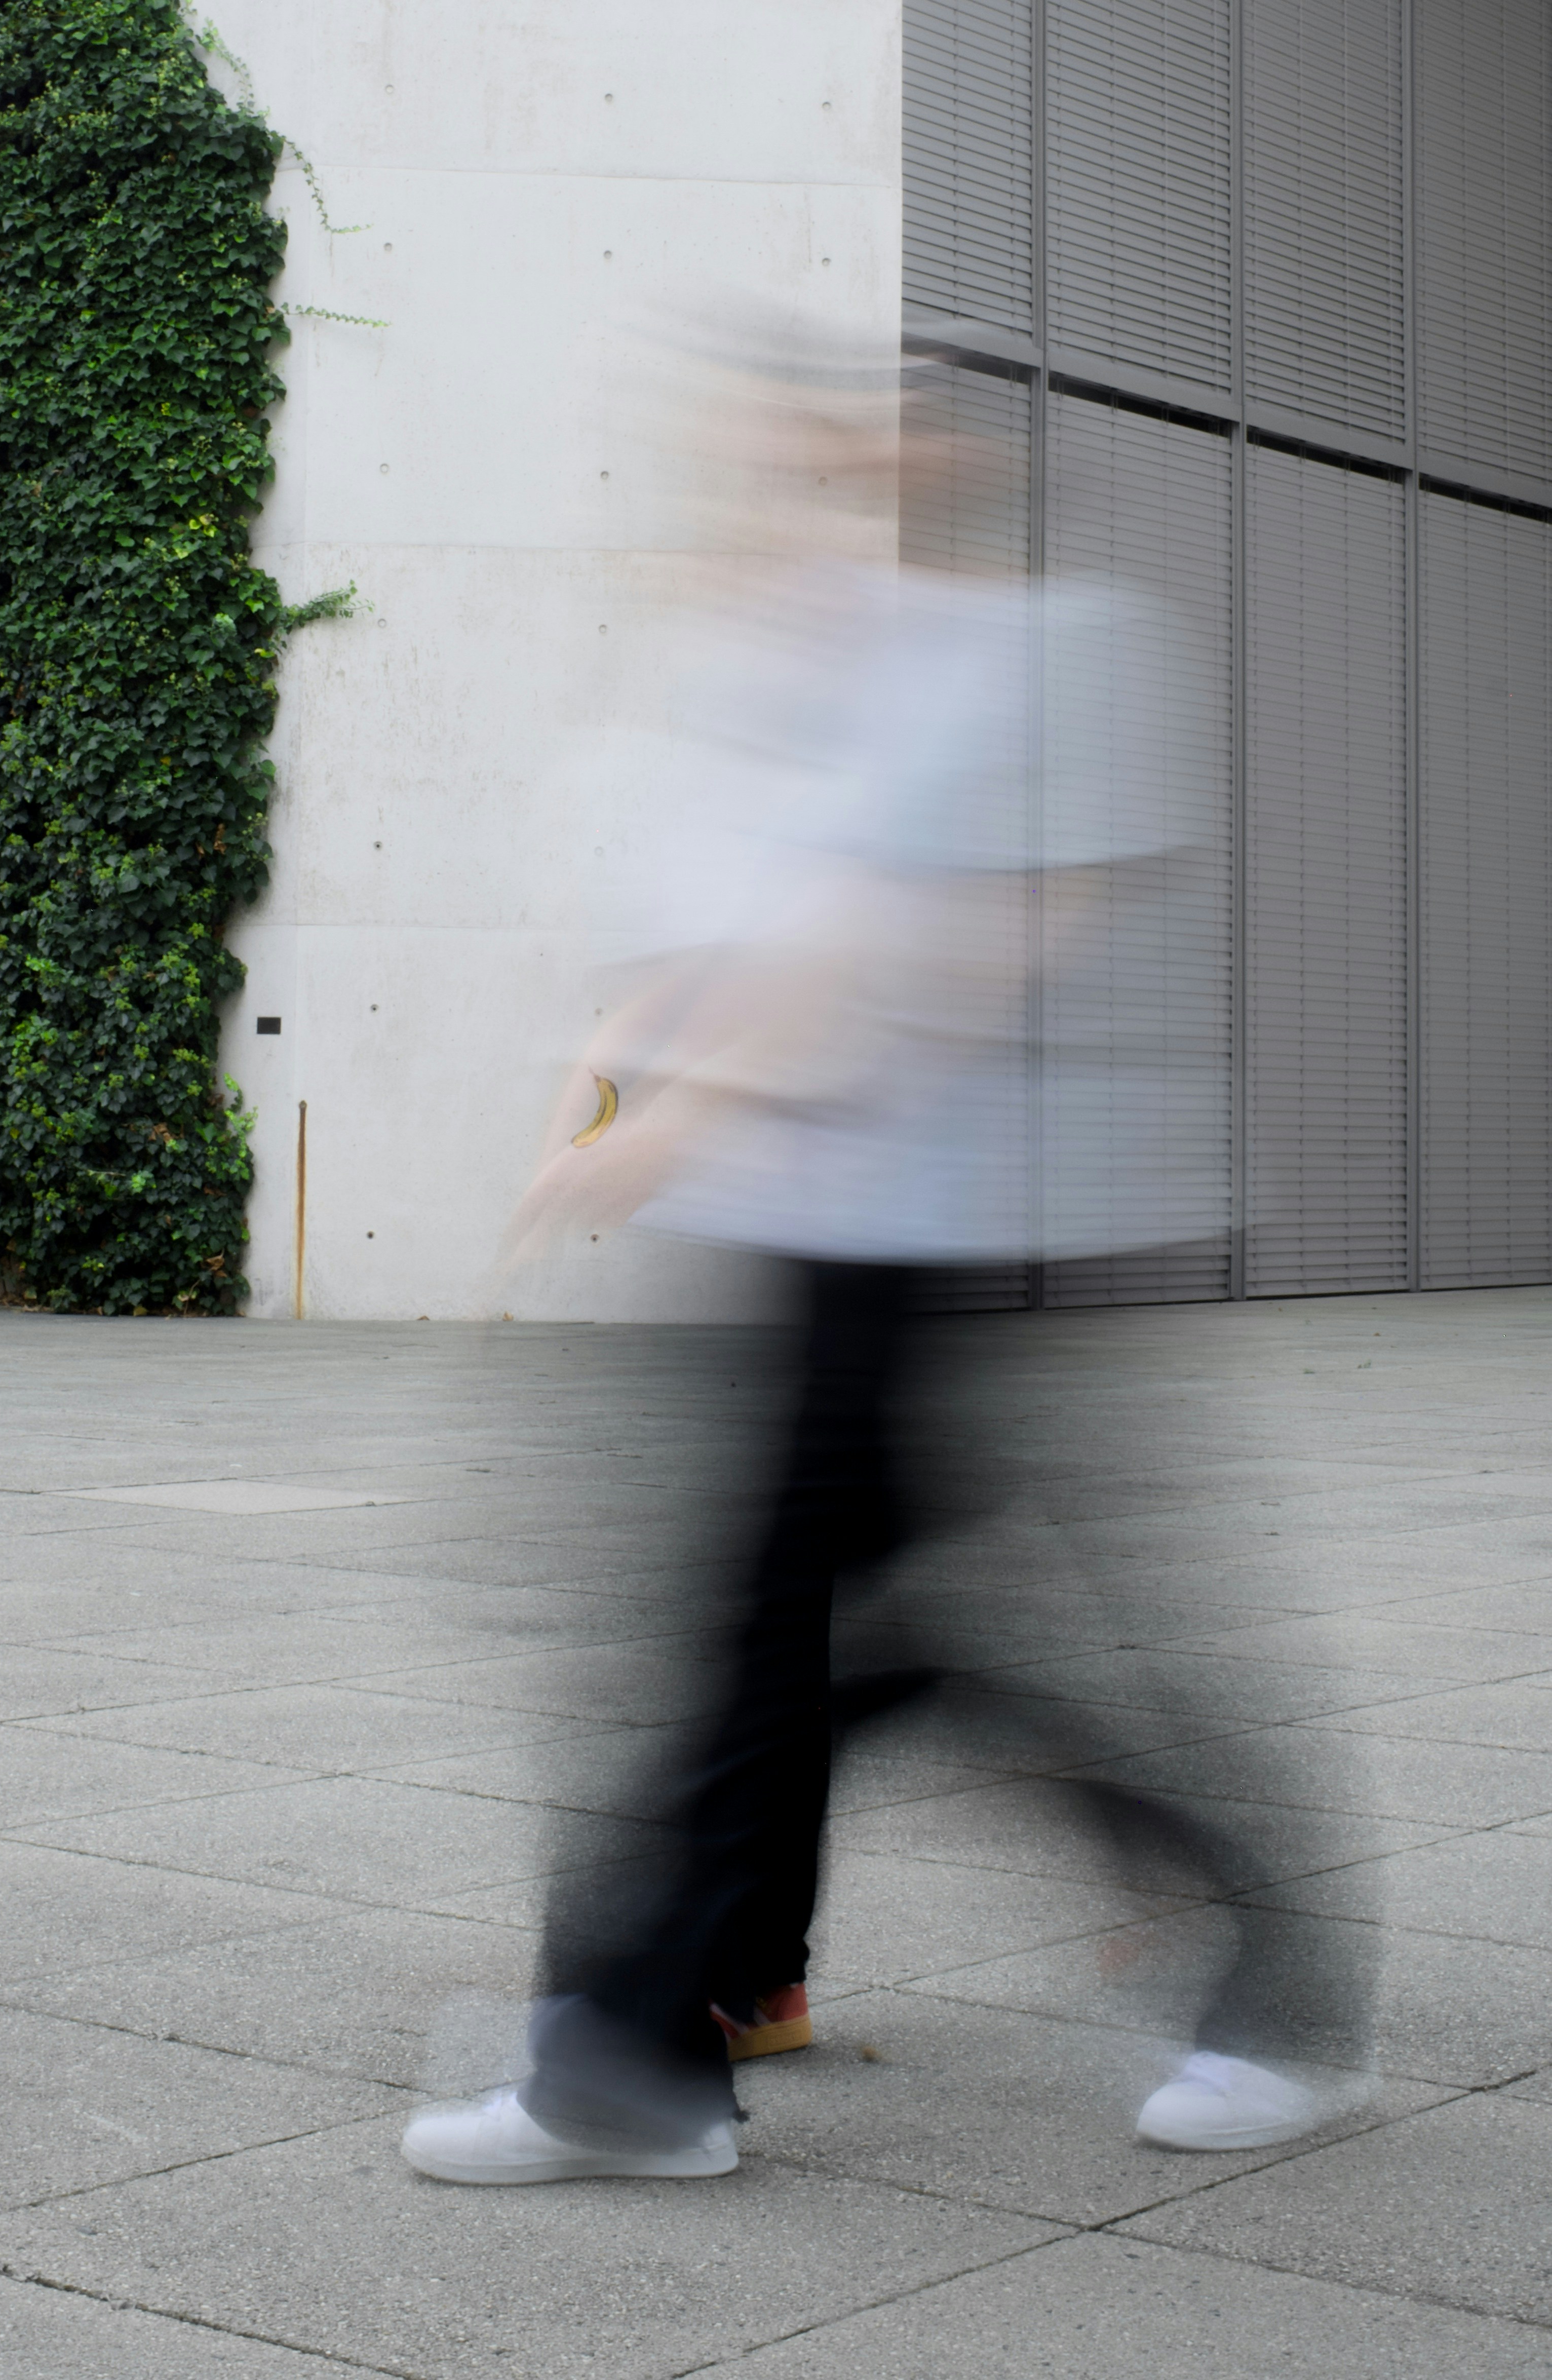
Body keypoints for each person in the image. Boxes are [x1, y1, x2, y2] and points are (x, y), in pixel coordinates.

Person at [402, 344, 1370, 2186]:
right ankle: (672, 2024)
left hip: (1008, 1235)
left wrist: (675, 1118)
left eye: (901, 429)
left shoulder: (1067, 651)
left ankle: (652, 2038)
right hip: (832, 1231)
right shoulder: (854, 669)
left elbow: (958, 947)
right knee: (834, 1636)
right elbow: (726, 942)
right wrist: (619, 1100)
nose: (867, 460)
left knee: (831, 1639)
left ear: (985, 456)